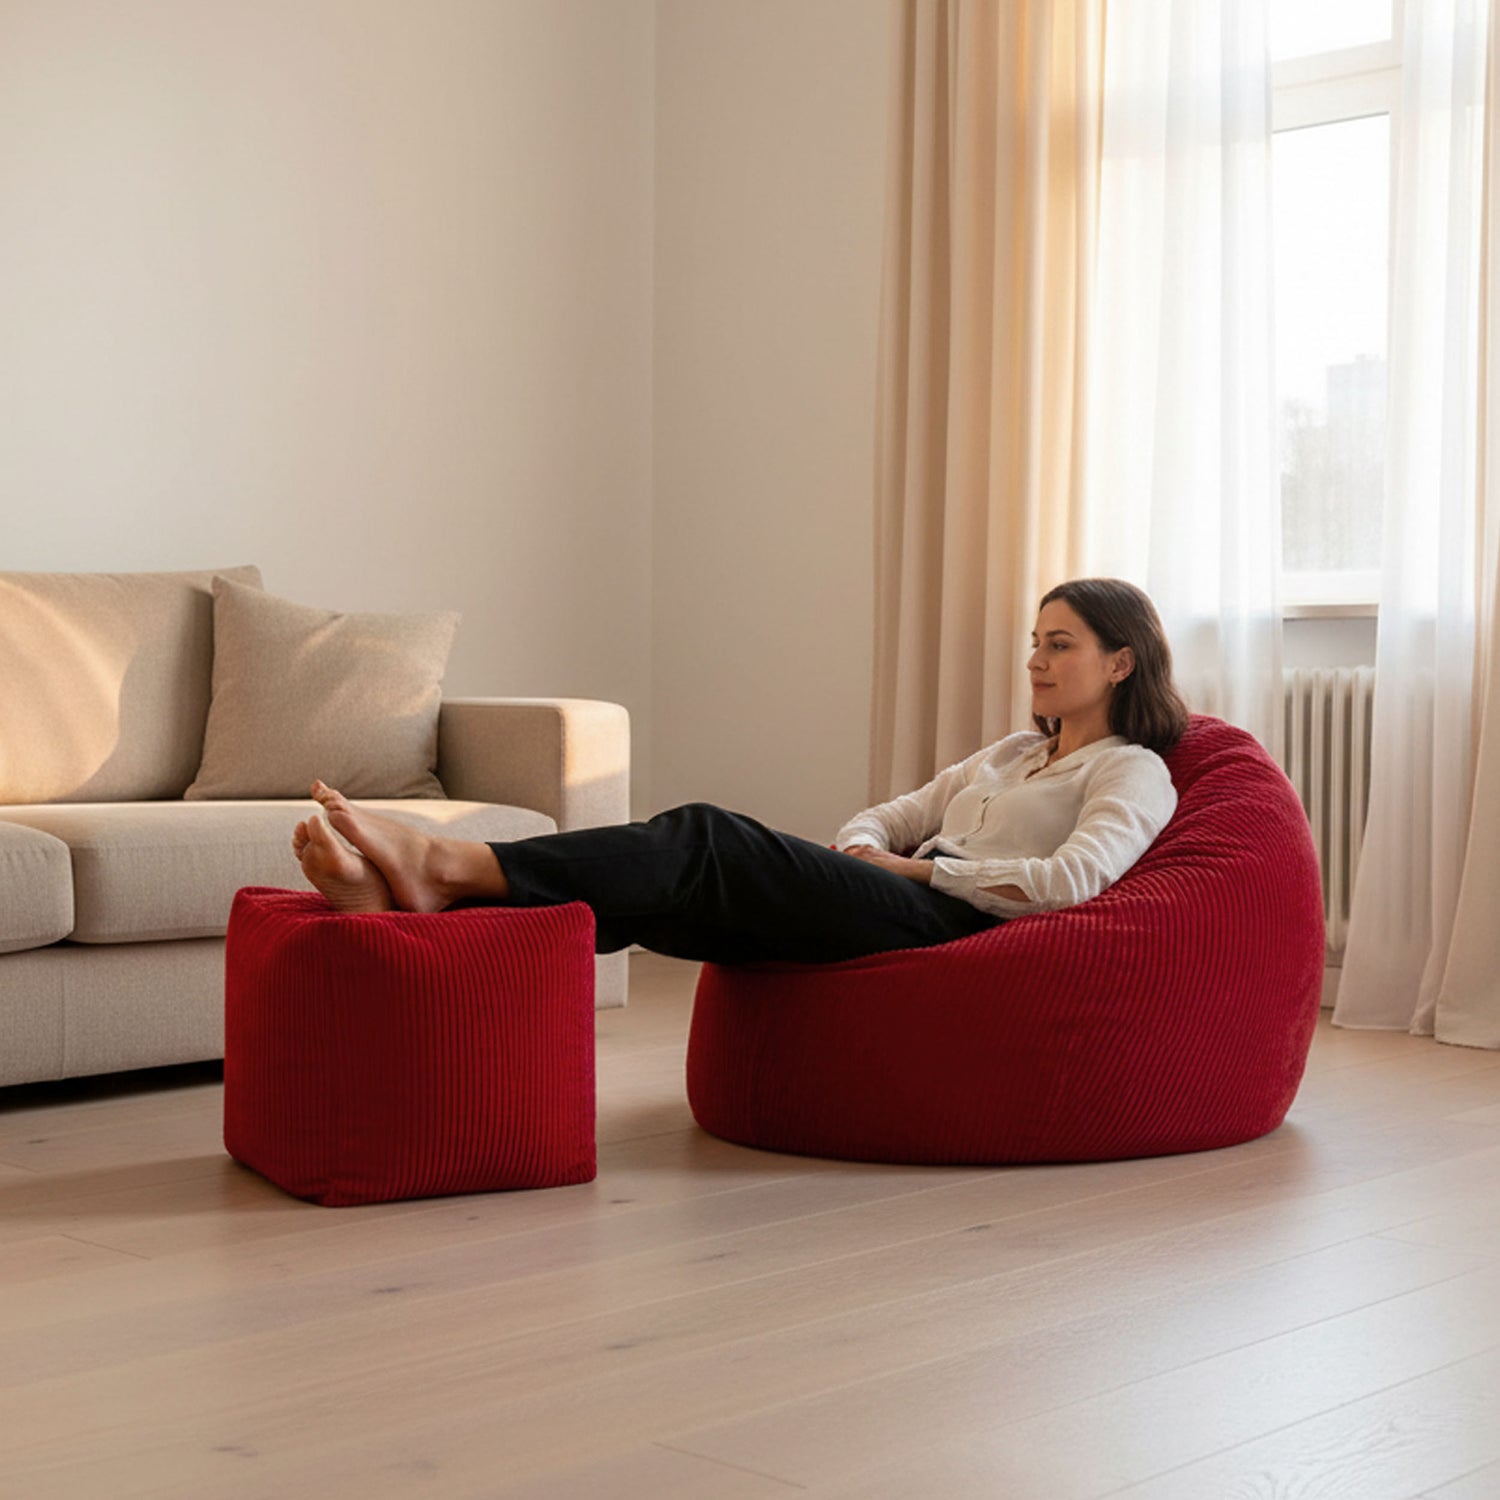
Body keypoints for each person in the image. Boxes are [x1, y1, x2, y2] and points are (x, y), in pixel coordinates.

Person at [292, 577, 1188, 966]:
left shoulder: (1132, 771)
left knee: (707, 836)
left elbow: (1073, 882)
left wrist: (919, 870)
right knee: (676, 889)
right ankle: (431, 918)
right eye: (1033, 643)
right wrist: (865, 848)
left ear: (1120, 663)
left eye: (1059, 646)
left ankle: (447, 864)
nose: (1036, 661)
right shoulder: (1012, 753)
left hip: (951, 925)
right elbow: (898, 810)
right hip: (901, 892)